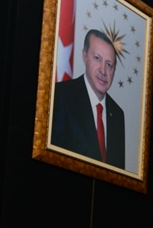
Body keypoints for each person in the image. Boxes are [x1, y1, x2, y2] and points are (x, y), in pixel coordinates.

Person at [50, 29, 126, 169]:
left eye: (109, 65)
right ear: (85, 56)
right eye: (97, 58)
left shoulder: (117, 114)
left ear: (114, 71)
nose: (103, 71)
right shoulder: (61, 96)